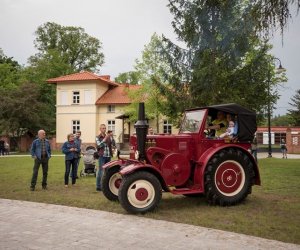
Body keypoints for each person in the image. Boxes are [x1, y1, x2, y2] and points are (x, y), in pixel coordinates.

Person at [95, 124, 113, 191]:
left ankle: (106, 186)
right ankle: (98, 186)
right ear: (100, 129)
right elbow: (99, 146)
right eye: (102, 128)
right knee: (101, 171)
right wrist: (104, 139)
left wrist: (111, 138)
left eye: (105, 128)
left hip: (108, 156)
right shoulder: (97, 137)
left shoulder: (108, 136)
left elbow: (111, 145)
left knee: (107, 171)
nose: (104, 129)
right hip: (102, 156)